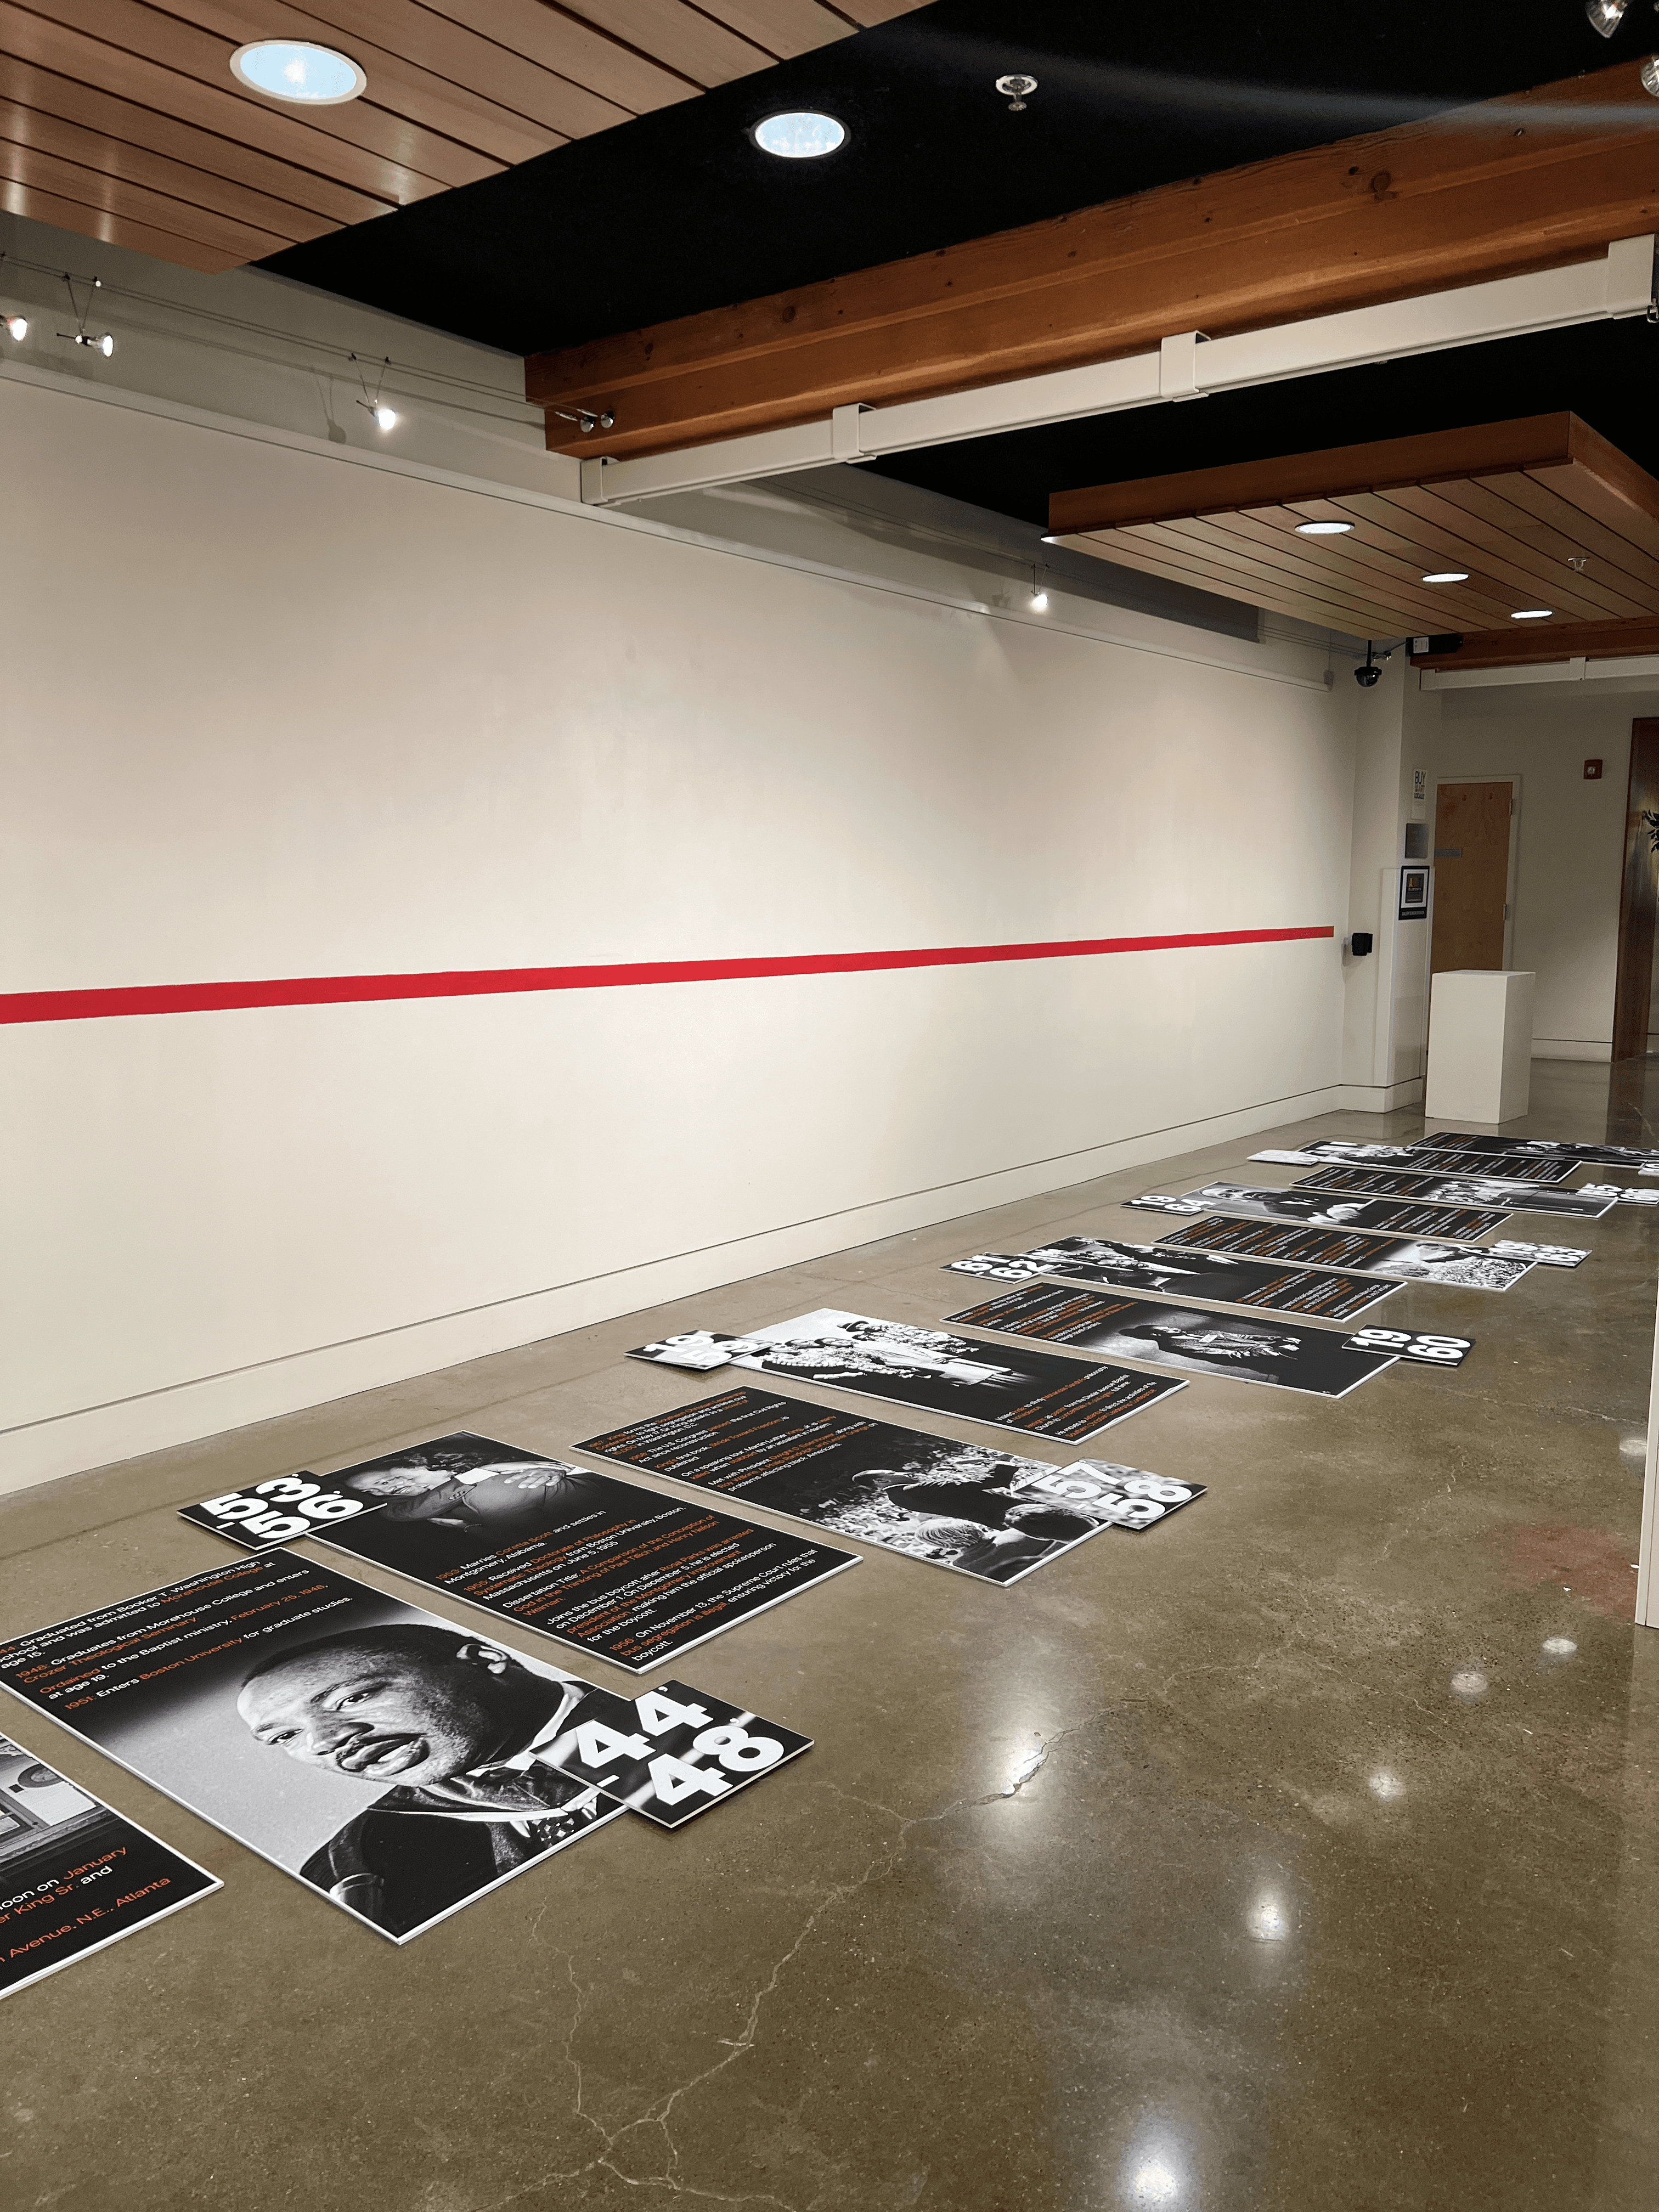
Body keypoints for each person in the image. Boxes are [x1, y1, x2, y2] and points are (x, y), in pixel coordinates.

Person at [236, 1624, 609, 1937]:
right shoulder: (351, 1866)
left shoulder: (655, 1711)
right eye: (285, 1736)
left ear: (486, 1660)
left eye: (354, 1698)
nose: (323, 1741)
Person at [341, 1457, 613, 1542]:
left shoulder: (489, 1484)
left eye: (384, 1482)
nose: (384, 1491)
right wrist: (467, 1528)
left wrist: (557, 1468)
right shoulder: (405, 1506)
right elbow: (401, 1514)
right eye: (372, 1493)